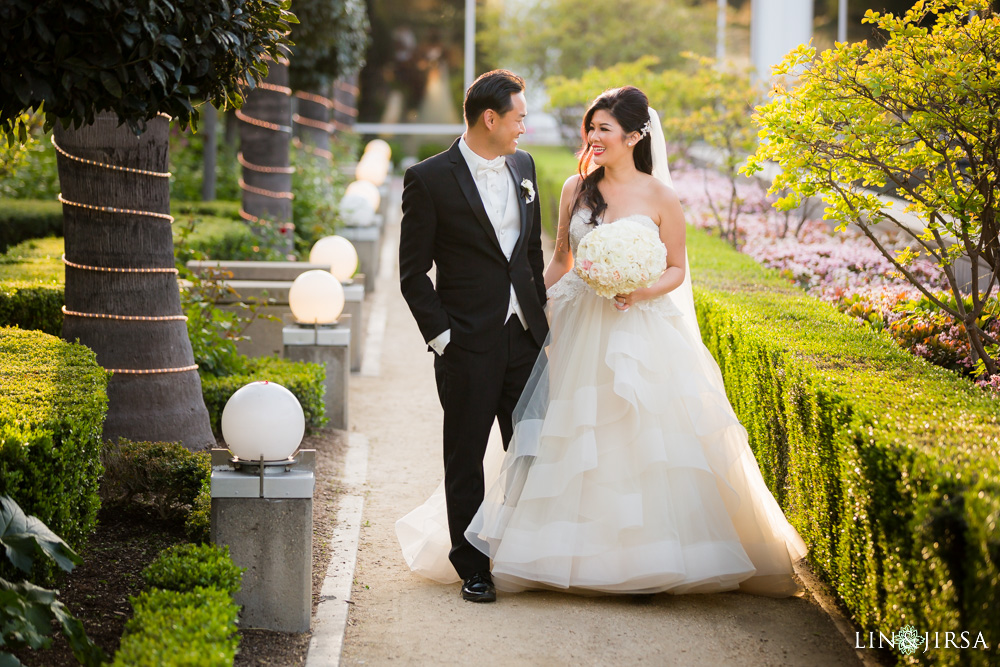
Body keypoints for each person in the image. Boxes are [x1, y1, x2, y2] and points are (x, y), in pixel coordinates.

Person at [398, 85, 807, 597]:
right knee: (479, 451)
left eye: (602, 127)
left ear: (636, 136)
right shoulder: (562, 187)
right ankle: (476, 564)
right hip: (533, 333)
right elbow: (548, 262)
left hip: (604, 333)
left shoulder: (540, 171)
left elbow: (673, 266)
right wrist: (458, 333)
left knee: (551, 445)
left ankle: (583, 551)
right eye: (589, 127)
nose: (590, 135)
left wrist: (636, 290)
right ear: (490, 118)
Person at [398, 69, 549, 603]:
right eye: (519, 118)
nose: (523, 129)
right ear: (491, 118)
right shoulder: (428, 178)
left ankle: (527, 551)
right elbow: (412, 273)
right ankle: (474, 567)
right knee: (465, 456)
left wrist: (542, 325)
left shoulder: (524, 167)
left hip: (524, 339)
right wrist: (444, 338)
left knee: (531, 450)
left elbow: (529, 254)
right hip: (465, 343)